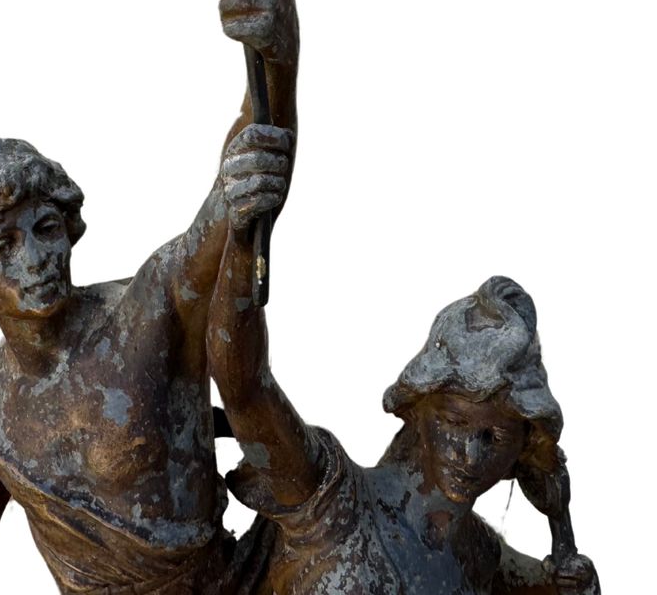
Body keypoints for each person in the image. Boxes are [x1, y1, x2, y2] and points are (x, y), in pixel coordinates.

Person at [0, 0, 298, 595]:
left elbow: (239, 181)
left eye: (46, 229)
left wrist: (276, 61)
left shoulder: (148, 312)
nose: (36, 259)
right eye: (2, 247)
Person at [208, 138, 600, 595]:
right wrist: (241, 239)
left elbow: (554, 584)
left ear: (522, 449)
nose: (470, 455)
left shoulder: (477, 556)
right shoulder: (331, 497)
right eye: (455, 422)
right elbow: (245, 387)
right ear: (419, 408)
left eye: (494, 437)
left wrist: (567, 568)